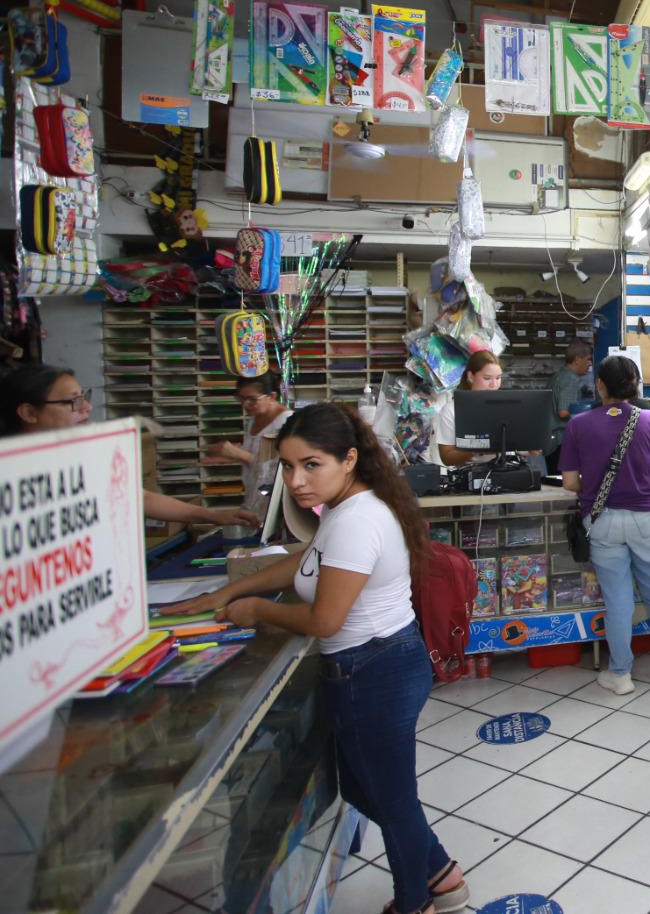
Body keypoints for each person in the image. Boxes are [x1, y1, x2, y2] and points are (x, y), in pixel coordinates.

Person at [162, 403, 470, 914]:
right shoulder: (343, 510)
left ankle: (417, 901)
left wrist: (255, 609)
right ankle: (441, 873)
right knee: (366, 789)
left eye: (311, 465)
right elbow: (302, 566)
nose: (297, 480)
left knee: (390, 801)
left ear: (348, 460)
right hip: (374, 666)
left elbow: (325, 619)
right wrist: (225, 593)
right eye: (287, 466)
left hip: (374, 670)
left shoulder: (357, 520)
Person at [0, 363, 259, 528]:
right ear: (29, 413)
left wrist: (215, 516)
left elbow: (137, 497)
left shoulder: (80, 459)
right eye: (73, 402)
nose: (87, 407)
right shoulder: (9, 474)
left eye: (84, 397)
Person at [561, 355, 650, 695]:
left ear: (599, 384)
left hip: (603, 521)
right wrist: (645, 473)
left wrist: (601, 483)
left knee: (618, 601)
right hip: (647, 518)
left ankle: (621, 675)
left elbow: (570, 483)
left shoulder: (579, 424)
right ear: (635, 385)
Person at [429, 350, 541, 469]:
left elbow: (516, 447)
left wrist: (531, 450)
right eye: (487, 378)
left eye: (498, 378)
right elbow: (446, 457)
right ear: (471, 377)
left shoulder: (509, 406)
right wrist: (477, 450)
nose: (494, 384)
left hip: (509, 472)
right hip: (473, 477)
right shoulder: (451, 410)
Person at [205, 373, 292, 518]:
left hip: (274, 506)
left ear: (271, 397)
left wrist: (238, 454)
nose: (245, 405)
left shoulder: (284, 423)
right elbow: (259, 456)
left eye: (252, 399)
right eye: (241, 399)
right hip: (254, 499)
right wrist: (231, 454)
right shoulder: (254, 419)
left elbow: (273, 470)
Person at [547, 341, 595, 469]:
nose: (590, 363)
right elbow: (563, 411)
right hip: (560, 441)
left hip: (552, 441)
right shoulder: (571, 379)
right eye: (588, 359)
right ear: (577, 359)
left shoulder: (559, 376)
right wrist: (590, 411)